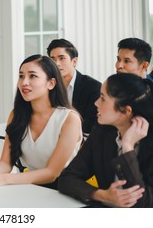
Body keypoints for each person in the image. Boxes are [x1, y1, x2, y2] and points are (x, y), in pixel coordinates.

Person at [0, 54, 82, 189]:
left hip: (66, 191)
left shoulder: (69, 119)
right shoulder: (16, 115)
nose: (24, 82)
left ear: (51, 83)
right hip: (32, 188)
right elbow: (6, 163)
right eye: (21, 76)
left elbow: (52, 173)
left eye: (33, 76)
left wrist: (3, 179)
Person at [58, 73, 153, 207]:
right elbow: (67, 179)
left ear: (126, 111)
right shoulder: (102, 132)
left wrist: (127, 148)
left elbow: (143, 206)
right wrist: (102, 195)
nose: (96, 103)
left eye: (103, 98)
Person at [47, 38, 101, 136]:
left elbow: (92, 124)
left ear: (74, 61)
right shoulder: (47, 86)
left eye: (62, 58)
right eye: (53, 59)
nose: (56, 64)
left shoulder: (93, 87)